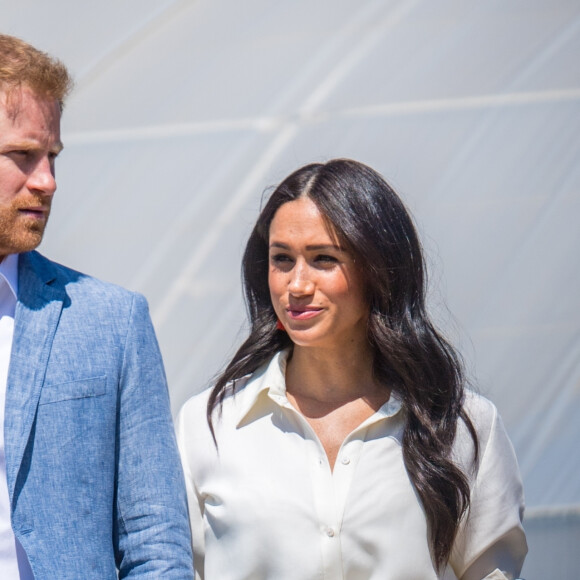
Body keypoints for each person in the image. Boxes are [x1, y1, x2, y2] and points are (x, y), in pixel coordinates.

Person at [177, 158, 527, 580]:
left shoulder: (461, 426)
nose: (297, 285)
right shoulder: (209, 425)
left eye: (324, 258)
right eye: (282, 259)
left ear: (378, 271)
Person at [0, 34, 193, 578]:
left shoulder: (111, 321)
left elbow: (155, 540)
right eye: (22, 155)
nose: (47, 181)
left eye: (52, 156)